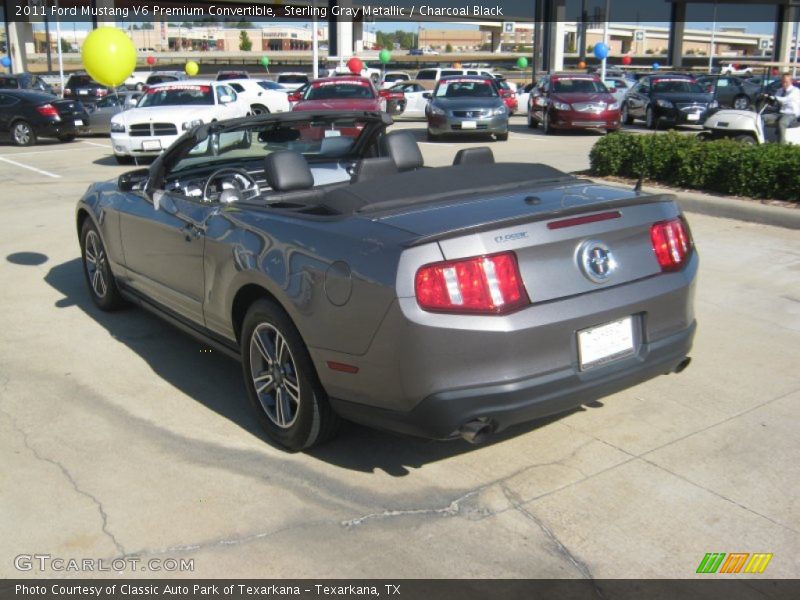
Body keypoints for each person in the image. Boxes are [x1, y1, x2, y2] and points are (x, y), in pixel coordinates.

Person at [763, 73, 800, 144]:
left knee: (782, 123)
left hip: (791, 114)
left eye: (786, 82)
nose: (784, 84)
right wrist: (768, 99)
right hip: (779, 113)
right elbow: (775, 102)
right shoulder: (779, 90)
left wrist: (773, 97)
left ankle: (781, 145)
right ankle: (762, 140)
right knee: (761, 118)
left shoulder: (795, 91)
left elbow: (785, 100)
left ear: (791, 81)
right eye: (782, 82)